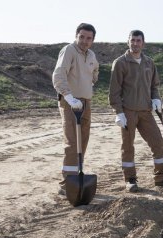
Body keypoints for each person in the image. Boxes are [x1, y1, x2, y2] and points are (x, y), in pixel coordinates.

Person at [109, 30, 163, 192]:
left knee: (158, 143)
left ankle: (161, 178)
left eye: (138, 40)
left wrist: (156, 99)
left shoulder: (149, 63)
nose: (135, 43)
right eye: (132, 40)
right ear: (128, 42)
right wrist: (118, 112)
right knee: (128, 146)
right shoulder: (120, 63)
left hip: (146, 112)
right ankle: (130, 179)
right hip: (128, 112)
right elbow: (114, 91)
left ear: (143, 43)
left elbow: (154, 86)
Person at [52, 23, 99, 195]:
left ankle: (77, 176)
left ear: (93, 40)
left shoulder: (92, 54)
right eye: (82, 37)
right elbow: (58, 75)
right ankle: (67, 184)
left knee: (83, 141)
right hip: (70, 102)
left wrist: (88, 83)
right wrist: (69, 96)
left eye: (88, 38)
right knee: (72, 143)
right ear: (76, 36)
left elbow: (95, 72)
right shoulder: (69, 51)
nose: (84, 41)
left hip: (86, 102)